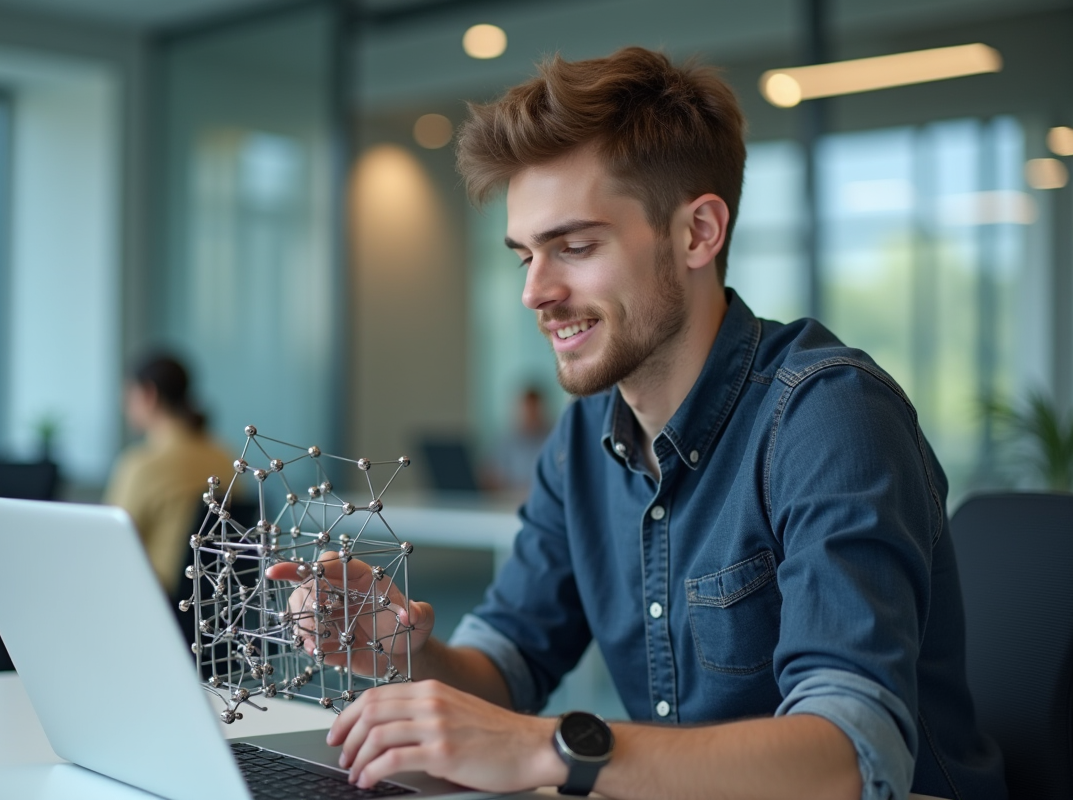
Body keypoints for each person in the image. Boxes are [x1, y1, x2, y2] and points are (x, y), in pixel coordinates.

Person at [270, 48, 1006, 800]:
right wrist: (409, 651)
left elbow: (849, 756)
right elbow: (508, 665)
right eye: (525, 255)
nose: (535, 292)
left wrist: (554, 750)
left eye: (576, 247)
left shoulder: (830, 415)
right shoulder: (586, 434)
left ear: (698, 233)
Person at [104, 353, 237, 594]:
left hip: (154, 602)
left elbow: (109, 547)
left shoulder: (140, 465)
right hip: (215, 607)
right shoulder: (226, 458)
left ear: (148, 394)